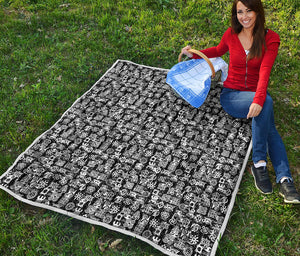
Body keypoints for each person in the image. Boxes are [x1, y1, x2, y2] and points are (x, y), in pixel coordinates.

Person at [181, 0, 300, 204]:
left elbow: (265, 71)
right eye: (240, 12)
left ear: (258, 11)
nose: (244, 16)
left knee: (267, 115)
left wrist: (259, 99)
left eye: (249, 11)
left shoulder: (271, 39)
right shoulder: (231, 34)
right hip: (232, 95)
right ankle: (266, 167)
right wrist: (194, 55)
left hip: (255, 92)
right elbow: (218, 50)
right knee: (267, 108)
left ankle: (281, 176)